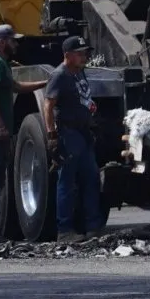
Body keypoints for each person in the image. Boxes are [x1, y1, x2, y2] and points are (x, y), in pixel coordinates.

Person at [0, 22, 46, 246]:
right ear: (2, 42)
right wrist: (1, 126)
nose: (16, 43)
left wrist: (45, 81)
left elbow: (16, 87)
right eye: (12, 40)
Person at [44, 35, 102, 242]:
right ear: (67, 55)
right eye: (80, 53)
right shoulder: (60, 75)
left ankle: (93, 227)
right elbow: (48, 105)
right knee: (67, 181)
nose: (84, 56)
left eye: (85, 53)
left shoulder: (79, 73)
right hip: (68, 134)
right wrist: (51, 135)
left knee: (91, 179)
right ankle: (65, 230)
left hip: (83, 133)